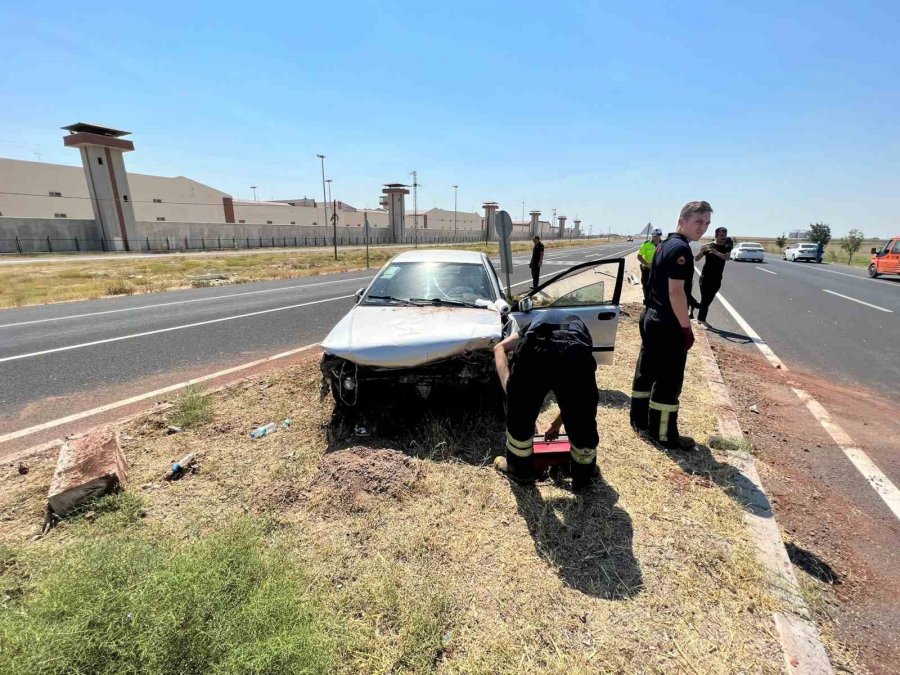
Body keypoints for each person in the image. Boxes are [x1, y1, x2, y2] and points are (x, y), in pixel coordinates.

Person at [630, 201, 712, 450]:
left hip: (651, 316)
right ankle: (663, 434)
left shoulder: (664, 244)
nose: (702, 228)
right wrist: (686, 328)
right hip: (668, 322)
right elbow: (676, 292)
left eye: (706, 223)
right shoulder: (681, 250)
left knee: (647, 371)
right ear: (682, 221)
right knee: (668, 380)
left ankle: (640, 421)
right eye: (698, 221)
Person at [493, 309, 599, 490]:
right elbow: (576, 401)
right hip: (574, 352)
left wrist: (511, 391)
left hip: (536, 352)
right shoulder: (578, 327)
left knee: (521, 418)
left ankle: (520, 471)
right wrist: (557, 424)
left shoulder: (532, 327)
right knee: (582, 416)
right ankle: (583, 475)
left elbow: (499, 348)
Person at [693, 226, 732, 327]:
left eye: (725, 235)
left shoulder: (726, 246)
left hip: (717, 278)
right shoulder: (708, 246)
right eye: (721, 235)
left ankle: (697, 310)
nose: (724, 237)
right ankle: (702, 320)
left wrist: (716, 252)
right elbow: (696, 259)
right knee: (705, 299)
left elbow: (726, 257)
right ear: (716, 235)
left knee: (708, 299)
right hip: (705, 277)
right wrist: (701, 252)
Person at [637, 228, 663, 305]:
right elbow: (639, 256)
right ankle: (647, 301)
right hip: (647, 269)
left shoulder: (664, 245)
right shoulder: (646, 244)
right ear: (652, 235)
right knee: (646, 285)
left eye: (658, 235)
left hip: (659, 269)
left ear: (660, 235)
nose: (656, 237)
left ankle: (657, 302)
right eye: (654, 235)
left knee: (658, 286)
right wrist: (646, 264)